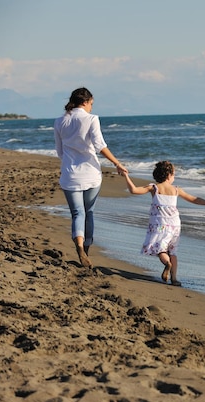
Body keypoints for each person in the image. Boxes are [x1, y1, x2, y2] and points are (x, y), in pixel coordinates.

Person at [54, 87, 128, 268]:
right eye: (91, 104)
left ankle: (78, 245)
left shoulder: (59, 121)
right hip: (91, 174)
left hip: (70, 175)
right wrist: (117, 163)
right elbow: (99, 146)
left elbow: (60, 152)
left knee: (77, 213)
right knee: (89, 212)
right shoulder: (91, 119)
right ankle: (86, 249)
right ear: (85, 102)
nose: (92, 108)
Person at [123, 161, 205, 286]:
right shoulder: (176, 190)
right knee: (173, 251)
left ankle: (167, 264)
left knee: (160, 250)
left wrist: (126, 176)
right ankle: (174, 278)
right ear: (169, 175)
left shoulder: (154, 188)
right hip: (175, 225)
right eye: (174, 174)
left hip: (159, 224)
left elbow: (134, 190)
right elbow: (195, 200)